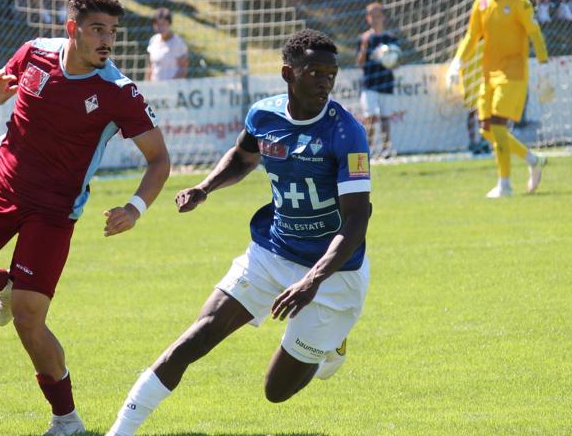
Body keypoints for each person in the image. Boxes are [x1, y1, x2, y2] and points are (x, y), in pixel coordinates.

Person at [0, 0, 171, 436]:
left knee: (30, 318)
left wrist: (135, 207)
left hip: (53, 211)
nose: (106, 40)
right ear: (72, 29)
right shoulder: (34, 53)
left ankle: (66, 420)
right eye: (96, 30)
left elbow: (160, 159)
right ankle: (4, 284)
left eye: (111, 31)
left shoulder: (118, 92)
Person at [105, 29, 372, 436]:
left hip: (334, 275)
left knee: (276, 391)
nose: (324, 82)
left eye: (331, 74)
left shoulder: (346, 132)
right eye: (314, 72)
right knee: (197, 336)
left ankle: (331, 346)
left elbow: (357, 218)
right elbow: (243, 156)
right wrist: (204, 187)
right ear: (288, 73)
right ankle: (119, 431)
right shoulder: (264, 115)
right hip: (272, 251)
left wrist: (313, 280)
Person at [446, 0, 549, 198]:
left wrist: (543, 65)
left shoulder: (519, 2)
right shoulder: (480, 4)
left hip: (513, 74)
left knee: (499, 126)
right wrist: (456, 63)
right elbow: (471, 37)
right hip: (488, 74)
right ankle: (533, 160)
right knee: (486, 129)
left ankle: (505, 184)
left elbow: (534, 32)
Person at [355, 2, 399, 157]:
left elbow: (397, 63)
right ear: (368, 18)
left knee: (386, 118)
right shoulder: (364, 38)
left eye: (378, 16)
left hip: (386, 84)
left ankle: (387, 148)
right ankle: (368, 149)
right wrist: (364, 47)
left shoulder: (391, 38)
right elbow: (360, 63)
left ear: (383, 17)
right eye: (372, 16)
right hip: (369, 85)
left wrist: (389, 59)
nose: (375, 19)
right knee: (370, 117)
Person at [144, 7, 188, 81]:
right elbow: (150, 66)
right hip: (154, 88)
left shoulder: (178, 43)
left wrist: (171, 86)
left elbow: (183, 69)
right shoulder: (153, 40)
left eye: (163, 24)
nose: (160, 27)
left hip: (171, 89)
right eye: (157, 24)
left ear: (169, 24)